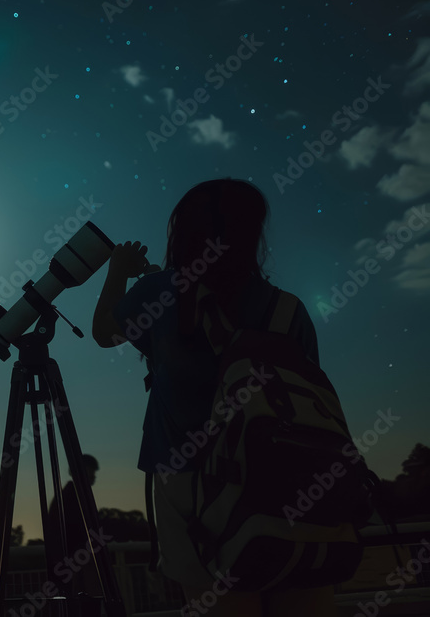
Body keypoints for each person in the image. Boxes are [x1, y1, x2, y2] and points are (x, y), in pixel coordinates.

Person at [90, 179, 334, 617]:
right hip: (291, 482)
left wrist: (120, 271)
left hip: (192, 486)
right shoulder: (287, 309)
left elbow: (104, 332)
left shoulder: (160, 295)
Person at [47, 454, 100, 599]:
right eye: (92, 471)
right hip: (76, 558)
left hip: (70, 559)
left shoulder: (68, 494)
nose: (94, 476)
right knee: (88, 596)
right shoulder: (75, 495)